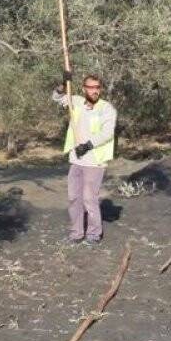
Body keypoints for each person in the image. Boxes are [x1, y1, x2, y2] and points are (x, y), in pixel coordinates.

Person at [53, 73, 116, 245]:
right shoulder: (77, 102)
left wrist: (87, 145)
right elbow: (57, 97)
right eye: (91, 87)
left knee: (89, 198)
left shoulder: (107, 109)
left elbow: (107, 133)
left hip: (94, 162)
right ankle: (76, 233)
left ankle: (94, 234)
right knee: (74, 198)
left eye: (97, 87)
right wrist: (63, 84)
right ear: (84, 89)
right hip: (76, 160)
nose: (94, 91)